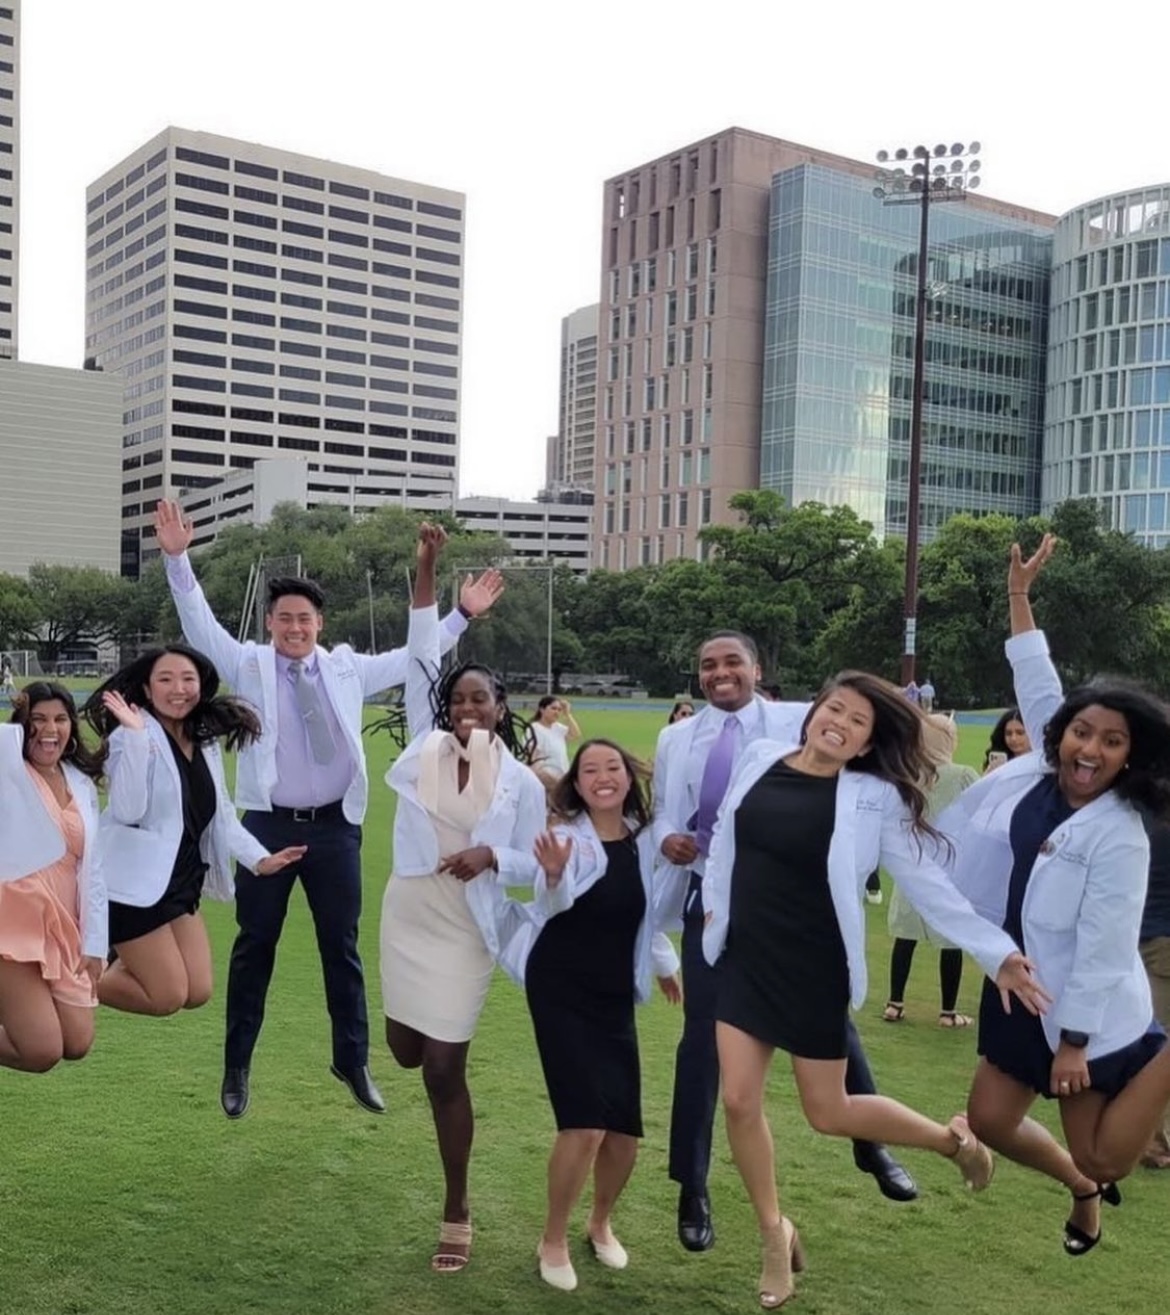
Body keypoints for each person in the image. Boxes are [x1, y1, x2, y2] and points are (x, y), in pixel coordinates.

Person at [703, 670, 1046, 1308]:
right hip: (746, 957)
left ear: (865, 743)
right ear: (813, 712)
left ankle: (954, 1140)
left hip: (815, 967)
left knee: (828, 1112)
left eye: (858, 721)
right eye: (834, 708)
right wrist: (710, 914)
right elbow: (724, 838)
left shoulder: (870, 797)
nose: (840, 722)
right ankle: (775, 1235)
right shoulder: (759, 757)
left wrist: (995, 953)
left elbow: (928, 885)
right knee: (738, 1101)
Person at [153, 498, 505, 1119]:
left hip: (336, 830)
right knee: (254, 945)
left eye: (305, 619)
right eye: (285, 619)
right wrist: (178, 561)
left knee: (339, 945)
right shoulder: (250, 664)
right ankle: (237, 1067)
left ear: (320, 623)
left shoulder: (345, 668)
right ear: (270, 623)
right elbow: (201, 628)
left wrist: (459, 617)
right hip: (266, 826)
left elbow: (413, 660)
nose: (295, 628)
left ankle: (353, 1059)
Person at [652, 632, 919, 1261]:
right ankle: (692, 1186)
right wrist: (669, 839)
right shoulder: (676, 738)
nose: (720, 675)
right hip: (714, 904)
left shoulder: (793, 720)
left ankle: (871, 1143)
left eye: (731, 663)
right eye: (708, 665)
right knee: (702, 1046)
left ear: (756, 669)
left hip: (798, 913)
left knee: (834, 1032)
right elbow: (667, 811)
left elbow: (855, 741)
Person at [949, 536, 1170, 1257]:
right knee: (988, 1116)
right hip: (1019, 977)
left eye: (1112, 740)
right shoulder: (1049, 768)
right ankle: (1079, 1191)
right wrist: (1019, 599)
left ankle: (1142, 1089)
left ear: (1129, 755)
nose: (1090, 748)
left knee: (1108, 1155)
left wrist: (1074, 1042)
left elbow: (1108, 945)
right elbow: (1040, 681)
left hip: (1082, 1005)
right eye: (1082, 731)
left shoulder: (1122, 832)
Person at [380, 524, 546, 1275]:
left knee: (445, 1067)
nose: (468, 708)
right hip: (409, 912)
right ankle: (407, 1039)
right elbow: (422, 647)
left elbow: (543, 867)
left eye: (482, 698)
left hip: (467, 926)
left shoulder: (524, 782)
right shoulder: (424, 747)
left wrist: (495, 854)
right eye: (458, 698)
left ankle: (457, 1206)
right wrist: (426, 567)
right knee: (405, 1051)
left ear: (503, 707)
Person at [497, 739, 682, 1291]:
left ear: (629, 778)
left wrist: (666, 966)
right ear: (576, 785)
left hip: (613, 994)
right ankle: (552, 1237)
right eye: (590, 770)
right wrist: (552, 876)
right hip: (560, 988)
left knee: (623, 1132)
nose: (603, 777)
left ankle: (600, 1223)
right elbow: (551, 907)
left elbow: (644, 916)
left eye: (614, 768)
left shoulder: (644, 841)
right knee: (585, 1123)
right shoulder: (568, 840)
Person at [83, 647, 305, 1018]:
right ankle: (64, 978)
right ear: (147, 689)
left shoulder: (203, 742)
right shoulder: (132, 735)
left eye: (188, 679)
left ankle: (109, 961)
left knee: (198, 990)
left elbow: (221, 814)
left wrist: (258, 858)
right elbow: (126, 810)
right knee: (166, 996)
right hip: (134, 889)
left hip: (181, 881)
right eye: (165, 679)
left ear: (201, 685)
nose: (178, 688)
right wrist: (137, 740)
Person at [0, 683, 106, 1072]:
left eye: (60, 719)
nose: (50, 729)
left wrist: (96, 943)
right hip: (13, 921)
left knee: (77, 1042)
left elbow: (93, 871)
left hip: (64, 925)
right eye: (38, 720)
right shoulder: (8, 773)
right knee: (41, 1051)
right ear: (22, 726)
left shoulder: (79, 781)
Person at [883, 713, 980, 1027]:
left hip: (912, 860)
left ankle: (894, 1003)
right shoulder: (962, 774)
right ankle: (948, 1012)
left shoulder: (907, 774)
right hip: (949, 864)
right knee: (950, 936)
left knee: (905, 935)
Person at [1138, 816, 1170, 1168]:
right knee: (1160, 1047)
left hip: (1138, 935)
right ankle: (1155, 1145)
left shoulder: (1143, 815)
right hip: (1163, 941)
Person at [530, 695, 582, 787]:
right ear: (542, 709)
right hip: (546, 779)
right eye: (553, 708)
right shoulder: (534, 728)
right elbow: (533, 756)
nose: (556, 712)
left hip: (562, 776)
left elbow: (575, 734)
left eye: (559, 710)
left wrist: (567, 714)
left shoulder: (557, 727)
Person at [983, 707, 1031, 772]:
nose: (1013, 738)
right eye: (1008, 733)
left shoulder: (1043, 762)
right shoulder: (997, 764)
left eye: (1020, 733)